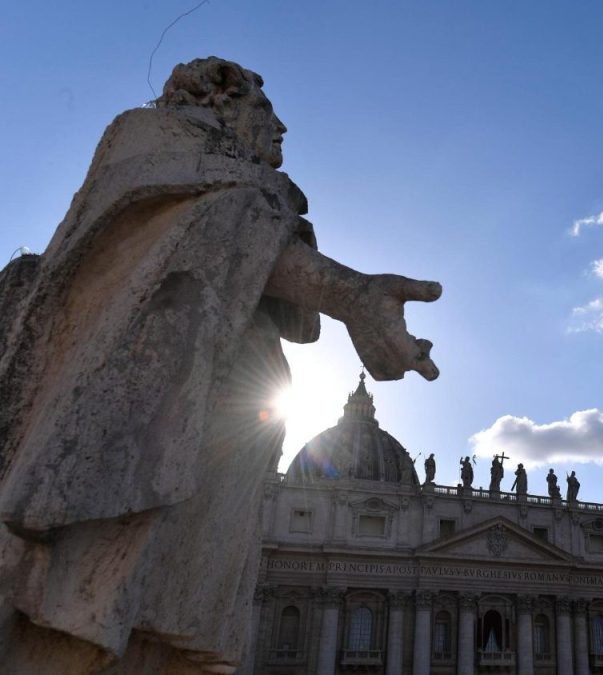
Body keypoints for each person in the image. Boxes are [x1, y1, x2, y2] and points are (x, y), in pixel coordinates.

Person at [0, 57, 441, 674]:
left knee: (168, 612)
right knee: (101, 595)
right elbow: (207, 222)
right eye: (266, 109)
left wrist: (349, 295)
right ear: (220, 98)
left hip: (220, 409)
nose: (280, 128)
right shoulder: (156, 138)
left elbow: (280, 292)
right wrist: (350, 293)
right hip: (159, 397)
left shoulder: (245, 187)